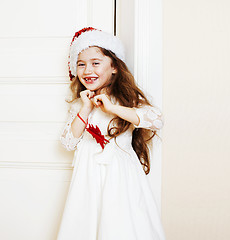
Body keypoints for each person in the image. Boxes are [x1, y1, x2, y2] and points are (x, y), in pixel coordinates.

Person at [57, 27, 165, 240]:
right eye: (81, 64)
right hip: (87, 175)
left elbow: (157, 120)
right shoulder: (81, 104)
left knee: (120, 224)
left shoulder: (125, 100)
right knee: (86, 224)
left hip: (120, 176)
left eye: (96, 63)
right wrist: (86, 109)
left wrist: (112, 108)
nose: (88, 70)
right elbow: (68, 142)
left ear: (114, 66)